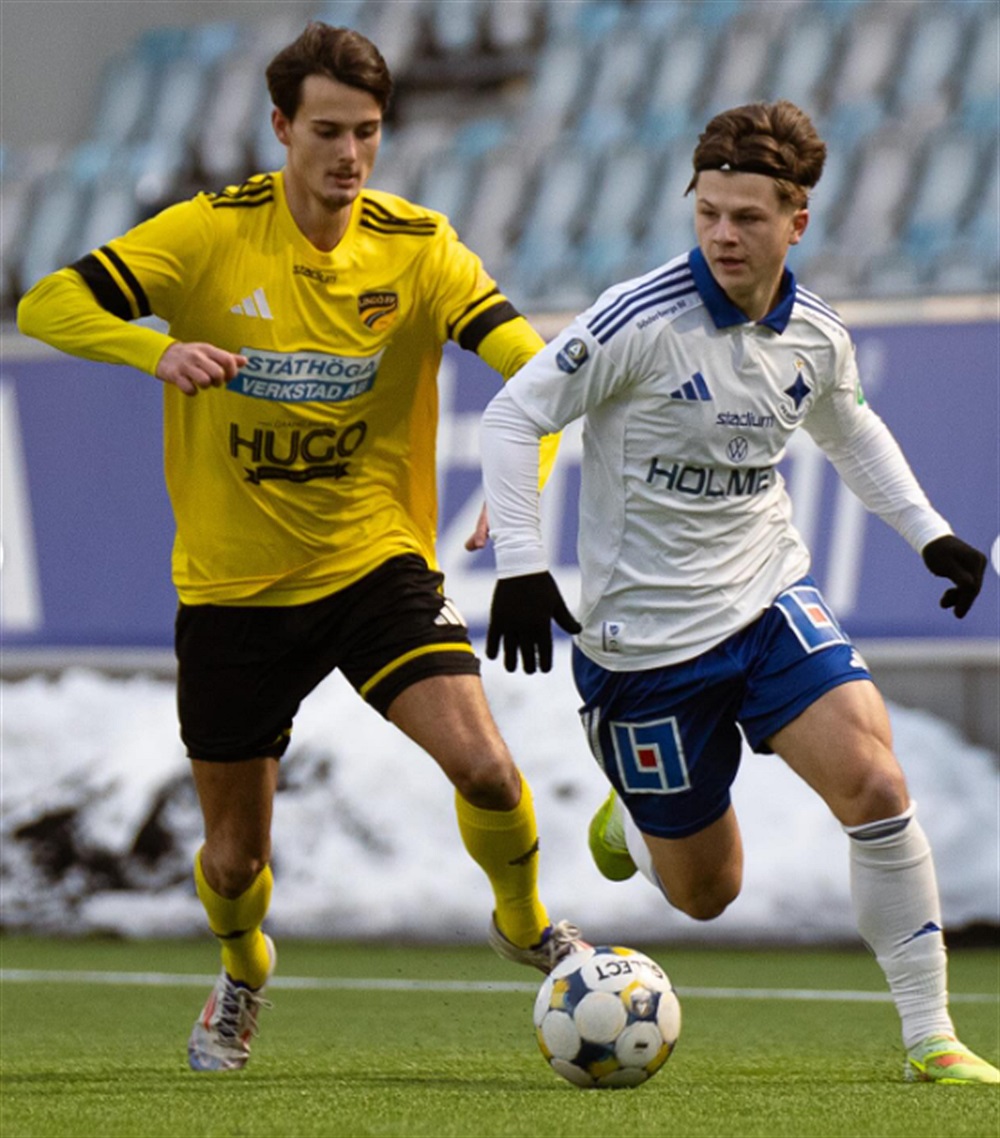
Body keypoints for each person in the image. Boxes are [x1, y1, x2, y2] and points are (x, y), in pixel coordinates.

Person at [17, 21, 586, 1072]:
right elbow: (47, 301)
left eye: (367, 131)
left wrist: (521, 495)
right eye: (327, 131)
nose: (349, 154)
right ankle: (243, 968)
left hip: (373, 565)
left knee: (488, 770)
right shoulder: (206, 234)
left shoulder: (418, 247)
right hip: (232, 592)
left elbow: (538, 373)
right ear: (281, 127)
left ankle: (525, 922)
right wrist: (154, 349)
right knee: (236, 862)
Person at [478, 100, 997, 1085]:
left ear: (796, 220)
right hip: (645, 651)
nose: (722, 234)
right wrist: (520, 564)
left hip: (768, 601)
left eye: (747, 217)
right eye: (708, 212)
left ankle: (930, 1038)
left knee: (877, 786)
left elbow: (848, 425)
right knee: (708, 893)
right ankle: (635, 821)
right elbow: (511, 418)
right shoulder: (638, 320)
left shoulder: (816, 334)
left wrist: (928, 533)